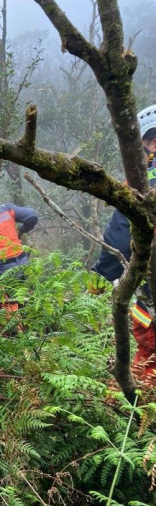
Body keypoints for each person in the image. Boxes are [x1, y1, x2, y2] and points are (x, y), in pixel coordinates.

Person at [93, 104, 156, 376]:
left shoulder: (142, 181)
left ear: (150, 142)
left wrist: (104, 273)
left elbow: (120, 235)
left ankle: (142, 409)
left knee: (149, 357)